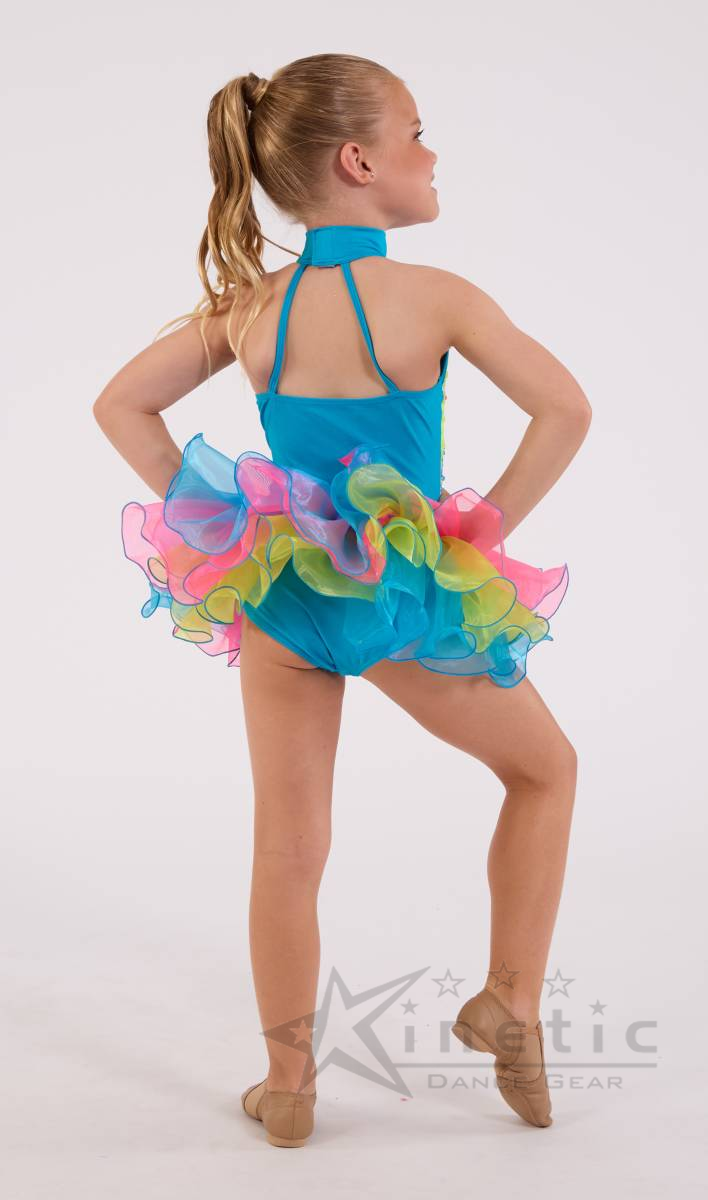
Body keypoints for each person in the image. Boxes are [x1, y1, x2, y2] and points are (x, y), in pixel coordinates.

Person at [94, 53, 591, 1148]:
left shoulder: (252, 308)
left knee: (287, 848)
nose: (432, 153)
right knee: (545, 771)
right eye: (417, 133)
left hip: (283, 596)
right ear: (359, 162)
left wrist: (214, 516)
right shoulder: (437, 297)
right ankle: (509, 1003)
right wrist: (483, 529)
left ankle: (289, 1087)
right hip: (402, 602)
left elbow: (121, 404)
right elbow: (565, 408)